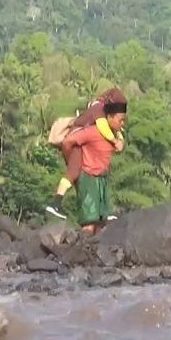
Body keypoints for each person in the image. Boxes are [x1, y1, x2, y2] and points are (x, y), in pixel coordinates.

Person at [45, 88, 127, 219]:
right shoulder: (98, 109)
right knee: (73, 172)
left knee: (82, 179)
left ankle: (103, 212)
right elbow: (102, 126)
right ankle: (56, 203)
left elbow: (115, 128)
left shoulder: (105, 113)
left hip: (82, 143)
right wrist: (114, 141)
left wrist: (120, 140)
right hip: (77, 140)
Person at [60, 101, 126, 234]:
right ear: (110, 117)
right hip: (88, 178)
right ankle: (83, 250)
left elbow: (119, 143)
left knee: (102, 222)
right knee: (89, 222)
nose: (122, 123)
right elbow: (68, 141)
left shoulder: (111, 135)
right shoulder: (92, 131)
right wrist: (71, 160)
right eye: (120, 120)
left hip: (102, 179)